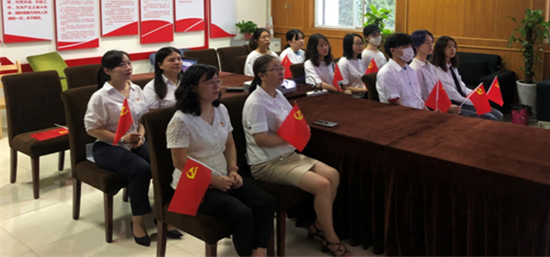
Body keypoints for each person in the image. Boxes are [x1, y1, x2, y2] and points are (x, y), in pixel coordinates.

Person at [243, 55, 353, 256]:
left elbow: (293, 121)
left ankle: (317, 226)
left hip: (288, 155)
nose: (281, 72)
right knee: (323, 185)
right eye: (275, 69)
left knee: (333, 175)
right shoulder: (256, 102)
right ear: (261, 75)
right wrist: (290, 137)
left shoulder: (278, 94)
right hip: (267, 163)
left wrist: (301, 130)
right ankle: (331, 239)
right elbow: (261, 140)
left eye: (281, 68)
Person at [167, 64, 276, 256]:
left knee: (266, 202)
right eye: (209, 82)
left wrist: (233, 170)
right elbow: (180, 162)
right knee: (242, 213)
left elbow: (230, 144)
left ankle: (258, 252)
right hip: (192, 184)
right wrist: (212, 180)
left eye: (217, 81)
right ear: (193, 87)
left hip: (223, 175)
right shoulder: (181, 120)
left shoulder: (221, 110)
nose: (216, 86)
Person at [84, 50, 180, 247]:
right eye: (121, 65)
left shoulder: (136, 89)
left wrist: (141, 136)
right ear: (107, 71)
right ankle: (138, 219)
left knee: (164, 162)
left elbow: (143, 118)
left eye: (129, 63)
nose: (128, 68)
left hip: (135, 141)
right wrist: (122, 138)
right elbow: (92, 129)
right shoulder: (100, 96)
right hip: (108, 146)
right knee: (141, 169)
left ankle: (164, 213)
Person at [430, 36, 503, 121]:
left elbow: (461, 86)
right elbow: (450, 93)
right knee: (490, 117)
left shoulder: (452, 66)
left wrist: (475, 95)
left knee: (498, 114)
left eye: (454, 47)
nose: (453, 49)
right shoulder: (436, 69)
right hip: (453, 102)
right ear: (441, 49)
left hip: (462, 99)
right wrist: (470, 101)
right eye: (449, 47)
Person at [410, 30, 461, 114]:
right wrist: (445, 107)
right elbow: (418, 97)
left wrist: (447, 105)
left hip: (440, 105)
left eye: (432, 42)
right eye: (427, 42)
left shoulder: (431, 66)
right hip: (429, 109)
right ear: (416, 46)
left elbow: (438, 91)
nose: (431, 45)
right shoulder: (415, 68)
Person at [376, 33, 426, 109]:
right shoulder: (386, 73)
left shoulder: (410, 70)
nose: (410, 50)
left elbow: (417, 99)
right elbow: (397, 104)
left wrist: (429, 112)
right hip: (400, 113)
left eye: (410, 46)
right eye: (405, 47)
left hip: (417, 111)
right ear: (393, 51)